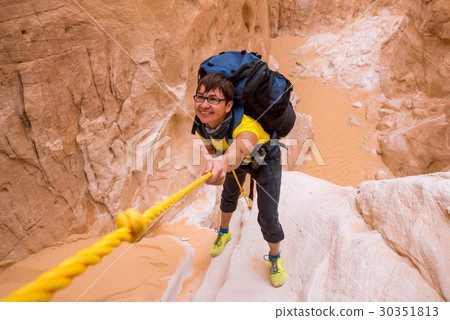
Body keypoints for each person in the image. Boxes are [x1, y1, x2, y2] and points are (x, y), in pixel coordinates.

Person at [192, 72, 286, 287]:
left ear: (228, 106)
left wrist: (223, 162)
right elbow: (214, 147)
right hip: (233, 159)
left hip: (265, 159)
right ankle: (224, 233)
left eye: (213, 99)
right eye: (200, 97)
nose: (204, 105)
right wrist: (220, 160)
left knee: (268, 217)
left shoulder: (247, 127)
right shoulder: (202, 123)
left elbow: (241, 147)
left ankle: (274, 257)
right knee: (228, 197)